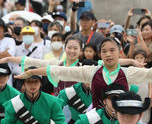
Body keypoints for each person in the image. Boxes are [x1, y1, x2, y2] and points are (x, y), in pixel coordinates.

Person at [16, 38, 152, 110]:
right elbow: (59, 70)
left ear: (119, 52)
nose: (108, 54)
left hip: (121, 121)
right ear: (100, 54)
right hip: (96, 121)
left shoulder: (128, 73)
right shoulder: (91, 72)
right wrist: (32, 72)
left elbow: (149, 73)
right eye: (104, 51)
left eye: (112, 50)